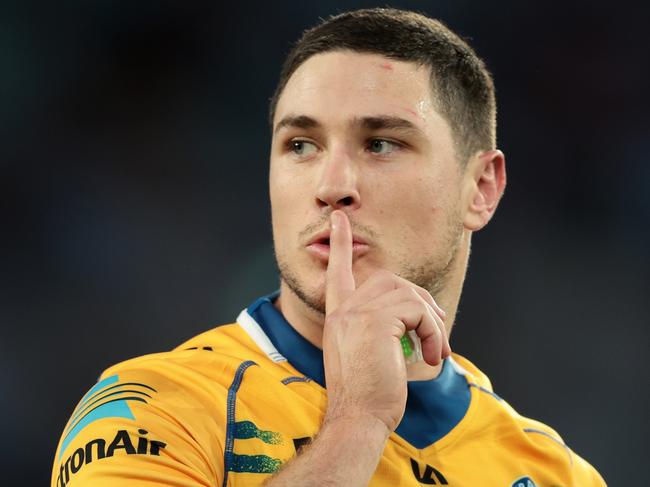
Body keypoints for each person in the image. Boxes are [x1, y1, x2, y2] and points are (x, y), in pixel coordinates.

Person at [51, 8, 606, 487]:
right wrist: (356, 424)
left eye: (381, 144)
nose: (331, 184)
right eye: (301, 145)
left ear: (480, 189)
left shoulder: (559, 473)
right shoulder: (149, 410)